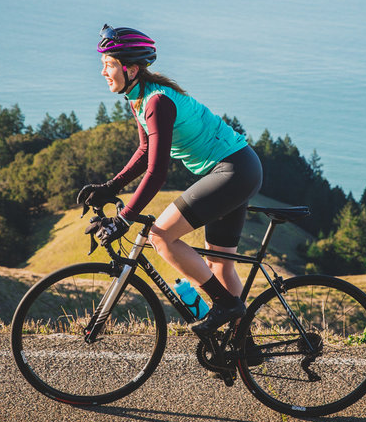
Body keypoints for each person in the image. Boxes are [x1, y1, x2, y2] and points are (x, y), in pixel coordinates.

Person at [78, 24, 263, 335]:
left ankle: (226, 306)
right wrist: (109, 188)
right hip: (239, 168)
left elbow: (157, 170)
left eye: (109, 65)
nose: (103, 72)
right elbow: (145, 149)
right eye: (103, 65)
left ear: (131, 68)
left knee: (161, 237)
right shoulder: (140, 97)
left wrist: (125, 218)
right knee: (221, 267)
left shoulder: (157, 102)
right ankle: (245, 349)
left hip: (232, 171)